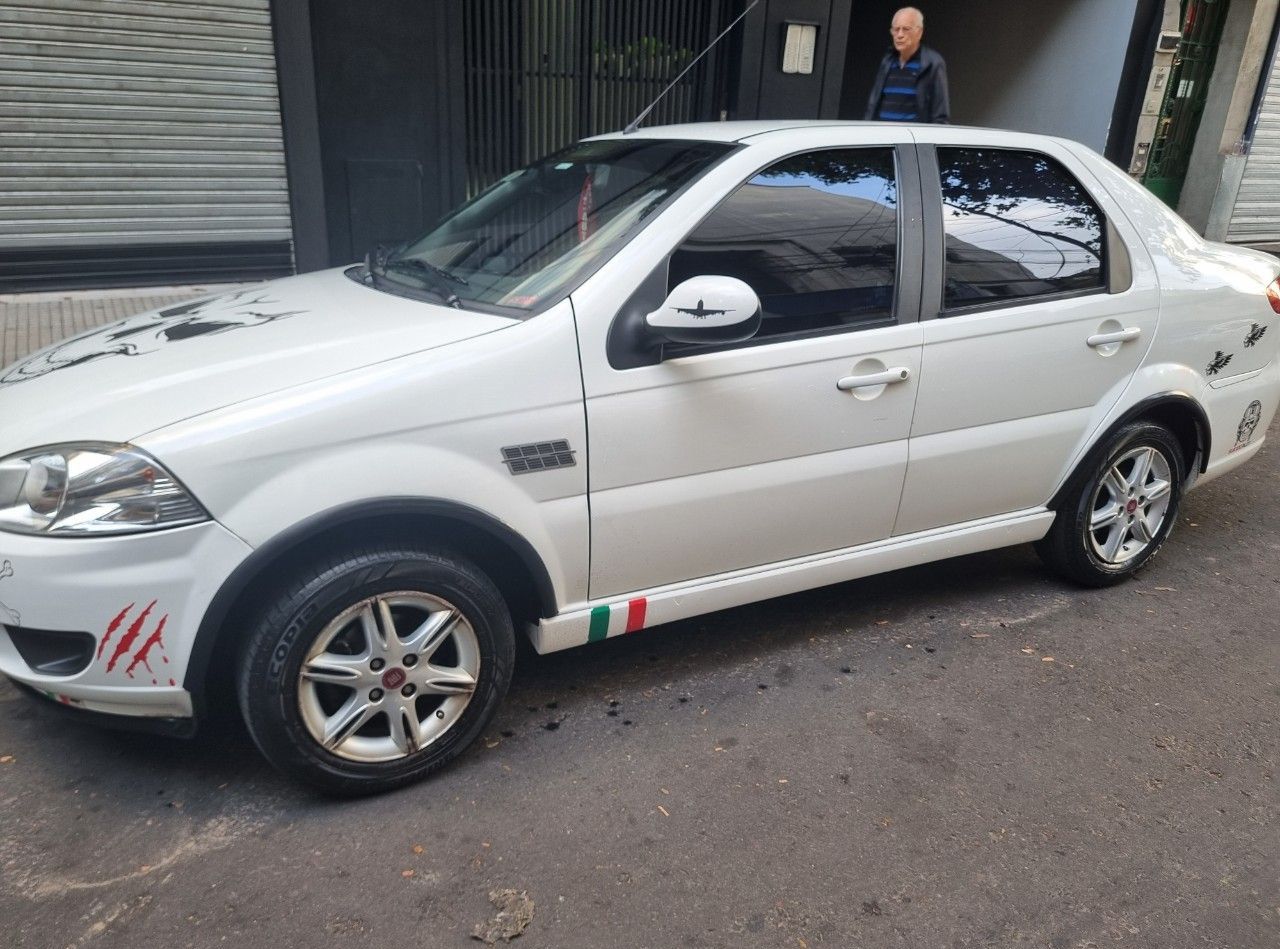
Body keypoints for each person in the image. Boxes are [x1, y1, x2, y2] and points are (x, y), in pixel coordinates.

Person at [864, 7, 950, 124]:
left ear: (919, 32)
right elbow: (872, 105)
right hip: (883, 137)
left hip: (910, 140)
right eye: (896, 29)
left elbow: (940, 116)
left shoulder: (932, 63)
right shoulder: (887, 61)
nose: (900, 35)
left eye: (906, 29)